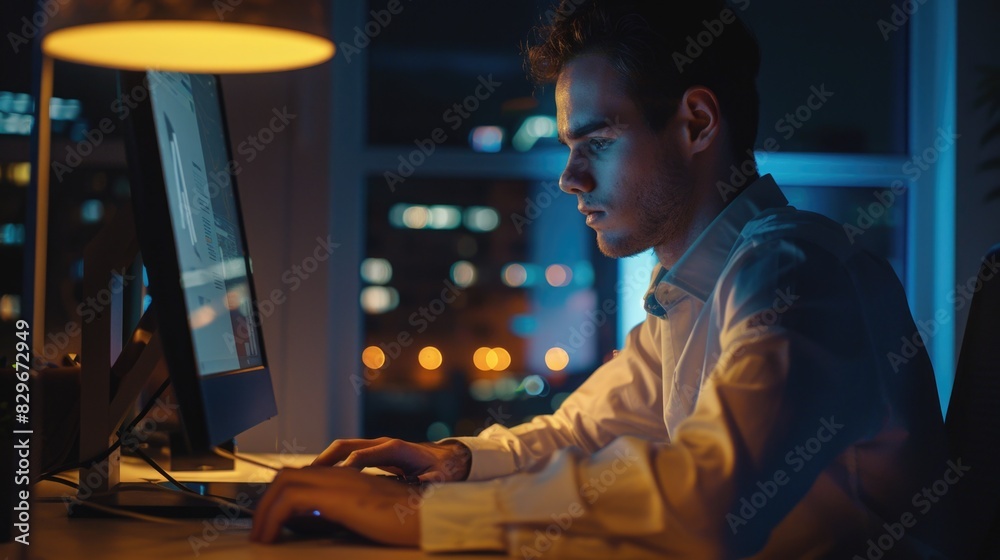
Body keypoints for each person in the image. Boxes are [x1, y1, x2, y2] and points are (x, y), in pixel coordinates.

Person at [251, 1, 955, 556]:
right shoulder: (690, 298)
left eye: (597, 143)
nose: (570, 178)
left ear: (698, 122)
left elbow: (704, 508)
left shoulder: (796, 274)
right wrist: (454, 461)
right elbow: (577, 435)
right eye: (568, 148)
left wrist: (424, 515)